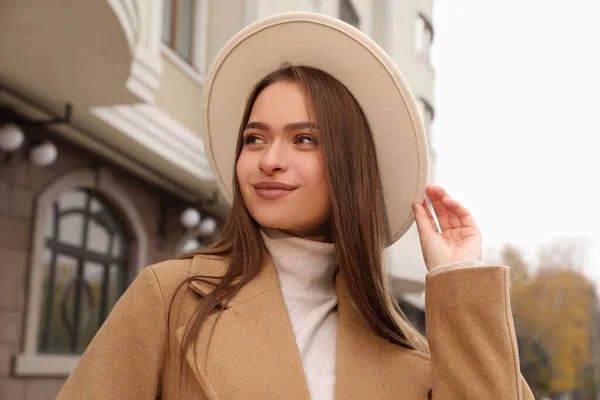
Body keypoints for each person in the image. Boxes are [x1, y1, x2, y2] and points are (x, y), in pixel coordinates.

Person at [57, 12, 533, 399]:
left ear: (349, 166)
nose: (270, 160)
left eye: (303, 139)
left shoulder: (412, 355)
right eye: (254, 138)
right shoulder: (171, 297)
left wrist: (456, 278)